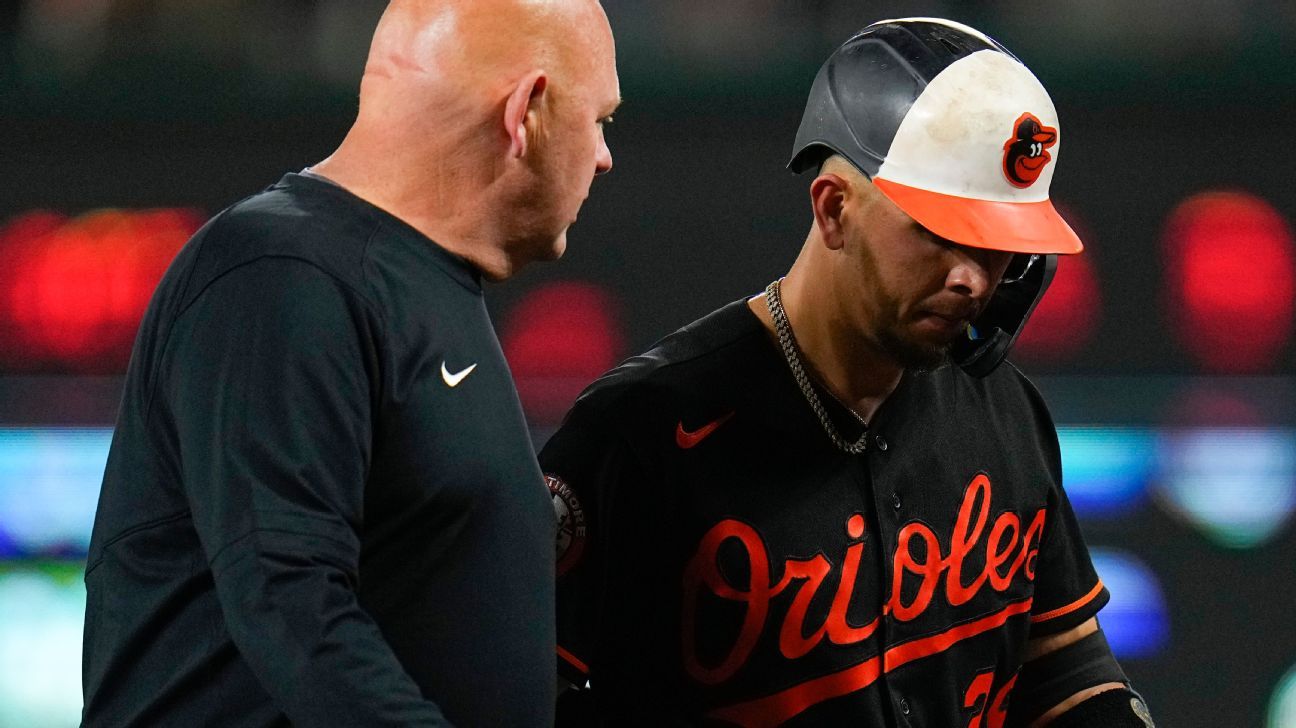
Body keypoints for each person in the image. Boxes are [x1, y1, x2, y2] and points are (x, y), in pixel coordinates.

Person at [541, 18, 1154, 727]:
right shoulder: (639, 439)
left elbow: (1068, 673)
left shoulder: (1002, 409)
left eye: (998, 246)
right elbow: (518, 693)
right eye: (941, 234)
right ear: (834, 209)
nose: (972, 280)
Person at [81, 0, 620, 725]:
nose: (604, 156)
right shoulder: (282, 272)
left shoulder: (419, 285)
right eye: (600, 121)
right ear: (525, 112)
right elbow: (291, 605)